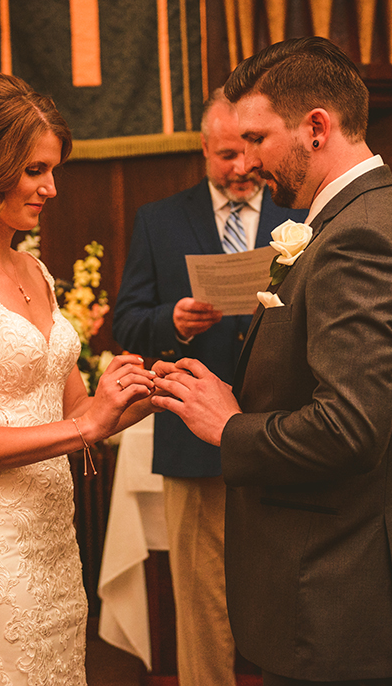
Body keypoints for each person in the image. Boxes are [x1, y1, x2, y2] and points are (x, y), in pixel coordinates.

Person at [151, 37, 392, 686]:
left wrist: (229, 425)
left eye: (258, 138)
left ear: (316, 127)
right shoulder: (357, 218)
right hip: (332, 592)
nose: (248, 162)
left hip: (334, 598)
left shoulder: (360, 239)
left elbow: (348, 428)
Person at [0, 71, 156, 686]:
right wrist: (85, 422)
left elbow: (76, 408)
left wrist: (140, 395)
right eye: (36, 170)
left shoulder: (34, 271)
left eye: (52, 170)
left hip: (50, 546)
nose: (52, 187)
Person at [111, 88, 298, 686]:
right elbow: (127, 319)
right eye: (225, 155)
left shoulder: (301, 217)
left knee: (284, 590)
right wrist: (173, 319)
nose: (241, 168)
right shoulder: (159, 220)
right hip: (192, 440)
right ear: (202, 150)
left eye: (250, 150)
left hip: (279, 432)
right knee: (202, 600)